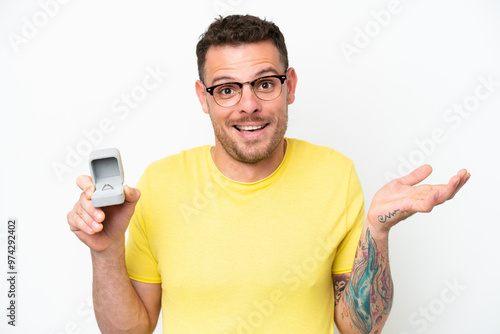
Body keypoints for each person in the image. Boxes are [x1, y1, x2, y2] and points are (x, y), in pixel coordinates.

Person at [67, 14, 470, 334]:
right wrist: (105, 252)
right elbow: (129, 332)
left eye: (264, 84)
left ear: (289, 86)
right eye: (226, 89)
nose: (248, 105)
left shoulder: (334, 174)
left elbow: (360, 328)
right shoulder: (159, 183)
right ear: (202, 98)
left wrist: (377, 234)